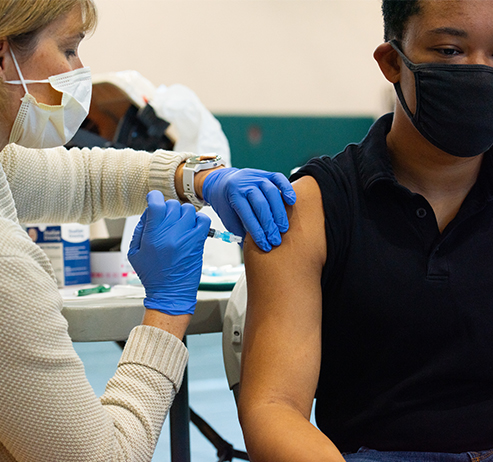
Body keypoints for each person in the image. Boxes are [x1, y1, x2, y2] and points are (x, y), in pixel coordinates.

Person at [0, 0, 296, 460]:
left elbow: (82, 180)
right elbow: (105, 457)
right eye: (70, 49)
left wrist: (198, 178)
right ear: (4, 56)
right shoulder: (6, 270)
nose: (81, 69)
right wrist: (165, 310)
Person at [238, 0, 493, 461]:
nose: (482, 71)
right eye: (451, 50)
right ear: (393, 62)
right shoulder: (310, 208)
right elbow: (273, 407)